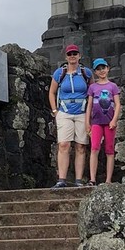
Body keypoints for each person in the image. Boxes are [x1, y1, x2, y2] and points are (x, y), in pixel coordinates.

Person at [48, 44, 93, 188]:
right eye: (69, 54)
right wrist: (55, 111)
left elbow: (92, 91)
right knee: (63, 144)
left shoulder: (86, 73)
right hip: (64, 111)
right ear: (66, 57)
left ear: (79, 55)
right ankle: (61, 179)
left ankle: (78, 180)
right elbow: (52, 92)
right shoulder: (59, 73)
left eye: (75, 53)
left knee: (81, 146)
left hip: (82, 112)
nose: (72, 56)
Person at [85, 59, 121, 185]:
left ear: (108, 68)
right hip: (96, 122)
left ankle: (108, 180)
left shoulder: (113, 86)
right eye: (99, 69)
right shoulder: (93, 87)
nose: (102, 71)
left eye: (103, 68)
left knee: (109, 150)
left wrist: (114, 120)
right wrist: (87, 122)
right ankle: (92, 179)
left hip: (109, 122)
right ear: (95, 72)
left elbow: (117, 104)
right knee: (94, 148)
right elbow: (89, 106)